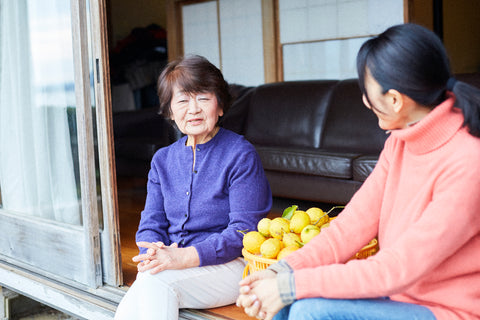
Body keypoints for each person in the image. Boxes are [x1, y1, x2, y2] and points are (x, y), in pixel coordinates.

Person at [236, 23, 480, 320]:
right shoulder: (400, 143)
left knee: (309, 310)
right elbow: (350, 227)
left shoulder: (468, 161)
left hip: (448, 310)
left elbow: (399, 267)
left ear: (394, 100)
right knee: (289, 303)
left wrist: (291, 286)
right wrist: (282, 271)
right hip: (399, 294)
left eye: (366, 89)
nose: (364, 100)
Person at [115, 55, 272, 320]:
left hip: (231, 265)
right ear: (169, 111)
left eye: (203, 98)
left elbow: (244, 232)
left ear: (220, 106)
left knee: (153, 282)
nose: (194, 109)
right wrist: (151, 253)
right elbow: (152, 221)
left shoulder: (240, 154)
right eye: (183, 100)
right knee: (149, 279)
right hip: (174, 262)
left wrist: (183, 257)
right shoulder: (162, 160)